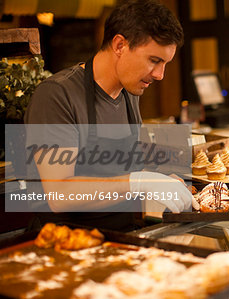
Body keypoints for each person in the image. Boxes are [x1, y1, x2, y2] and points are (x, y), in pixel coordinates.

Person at [24, 0, 191, 231]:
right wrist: (138, 182)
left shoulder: (129, 92)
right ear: (120, 45)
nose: (160, 75)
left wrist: (156, 180)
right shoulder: (57, 95)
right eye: (154, 61)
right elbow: (59, 195)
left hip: (122, 233)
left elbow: (114, 172)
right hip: (68, 242)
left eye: (165, 64)